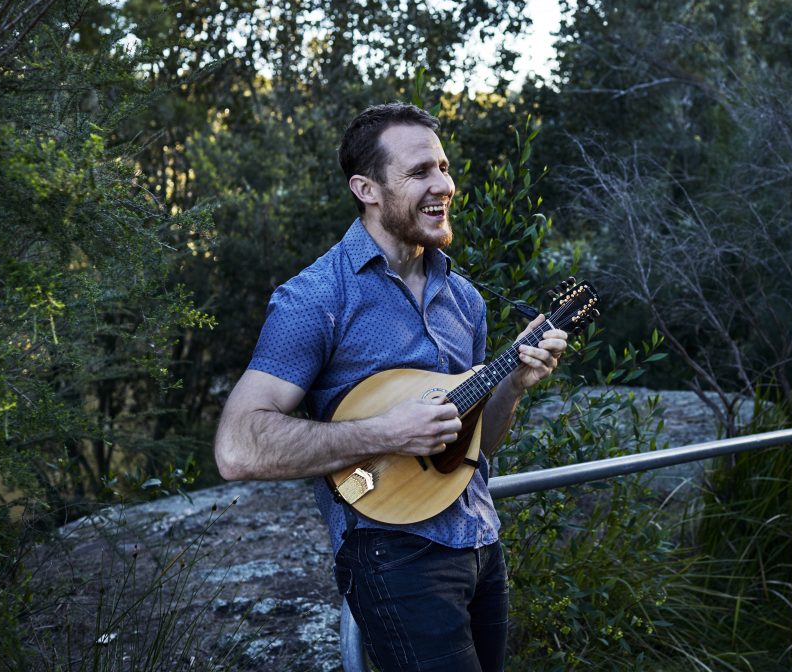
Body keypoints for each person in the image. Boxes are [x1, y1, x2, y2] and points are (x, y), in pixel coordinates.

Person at [214, 102, 568, 671]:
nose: (443, 185)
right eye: (420, 171)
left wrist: (517, 384)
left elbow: (473, 446)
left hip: (480, 541)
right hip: (393, 555)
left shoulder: (465, 301)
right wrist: (387, 430)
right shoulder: (316, 299)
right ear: (367, 188)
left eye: (444, 167)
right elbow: (237, 447)